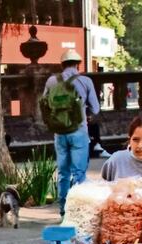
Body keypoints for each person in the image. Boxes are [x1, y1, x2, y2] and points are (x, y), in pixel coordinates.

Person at [44, 49, 100, 217]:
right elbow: (96, 109)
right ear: (78, 63)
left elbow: (44, 104)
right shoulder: (85, 81)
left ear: (62, 64)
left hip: (60, 133)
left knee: (63, 173)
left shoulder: (52, 81)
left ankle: (63, 210)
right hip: (79, 131)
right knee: (79, 172)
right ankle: (79, 210)